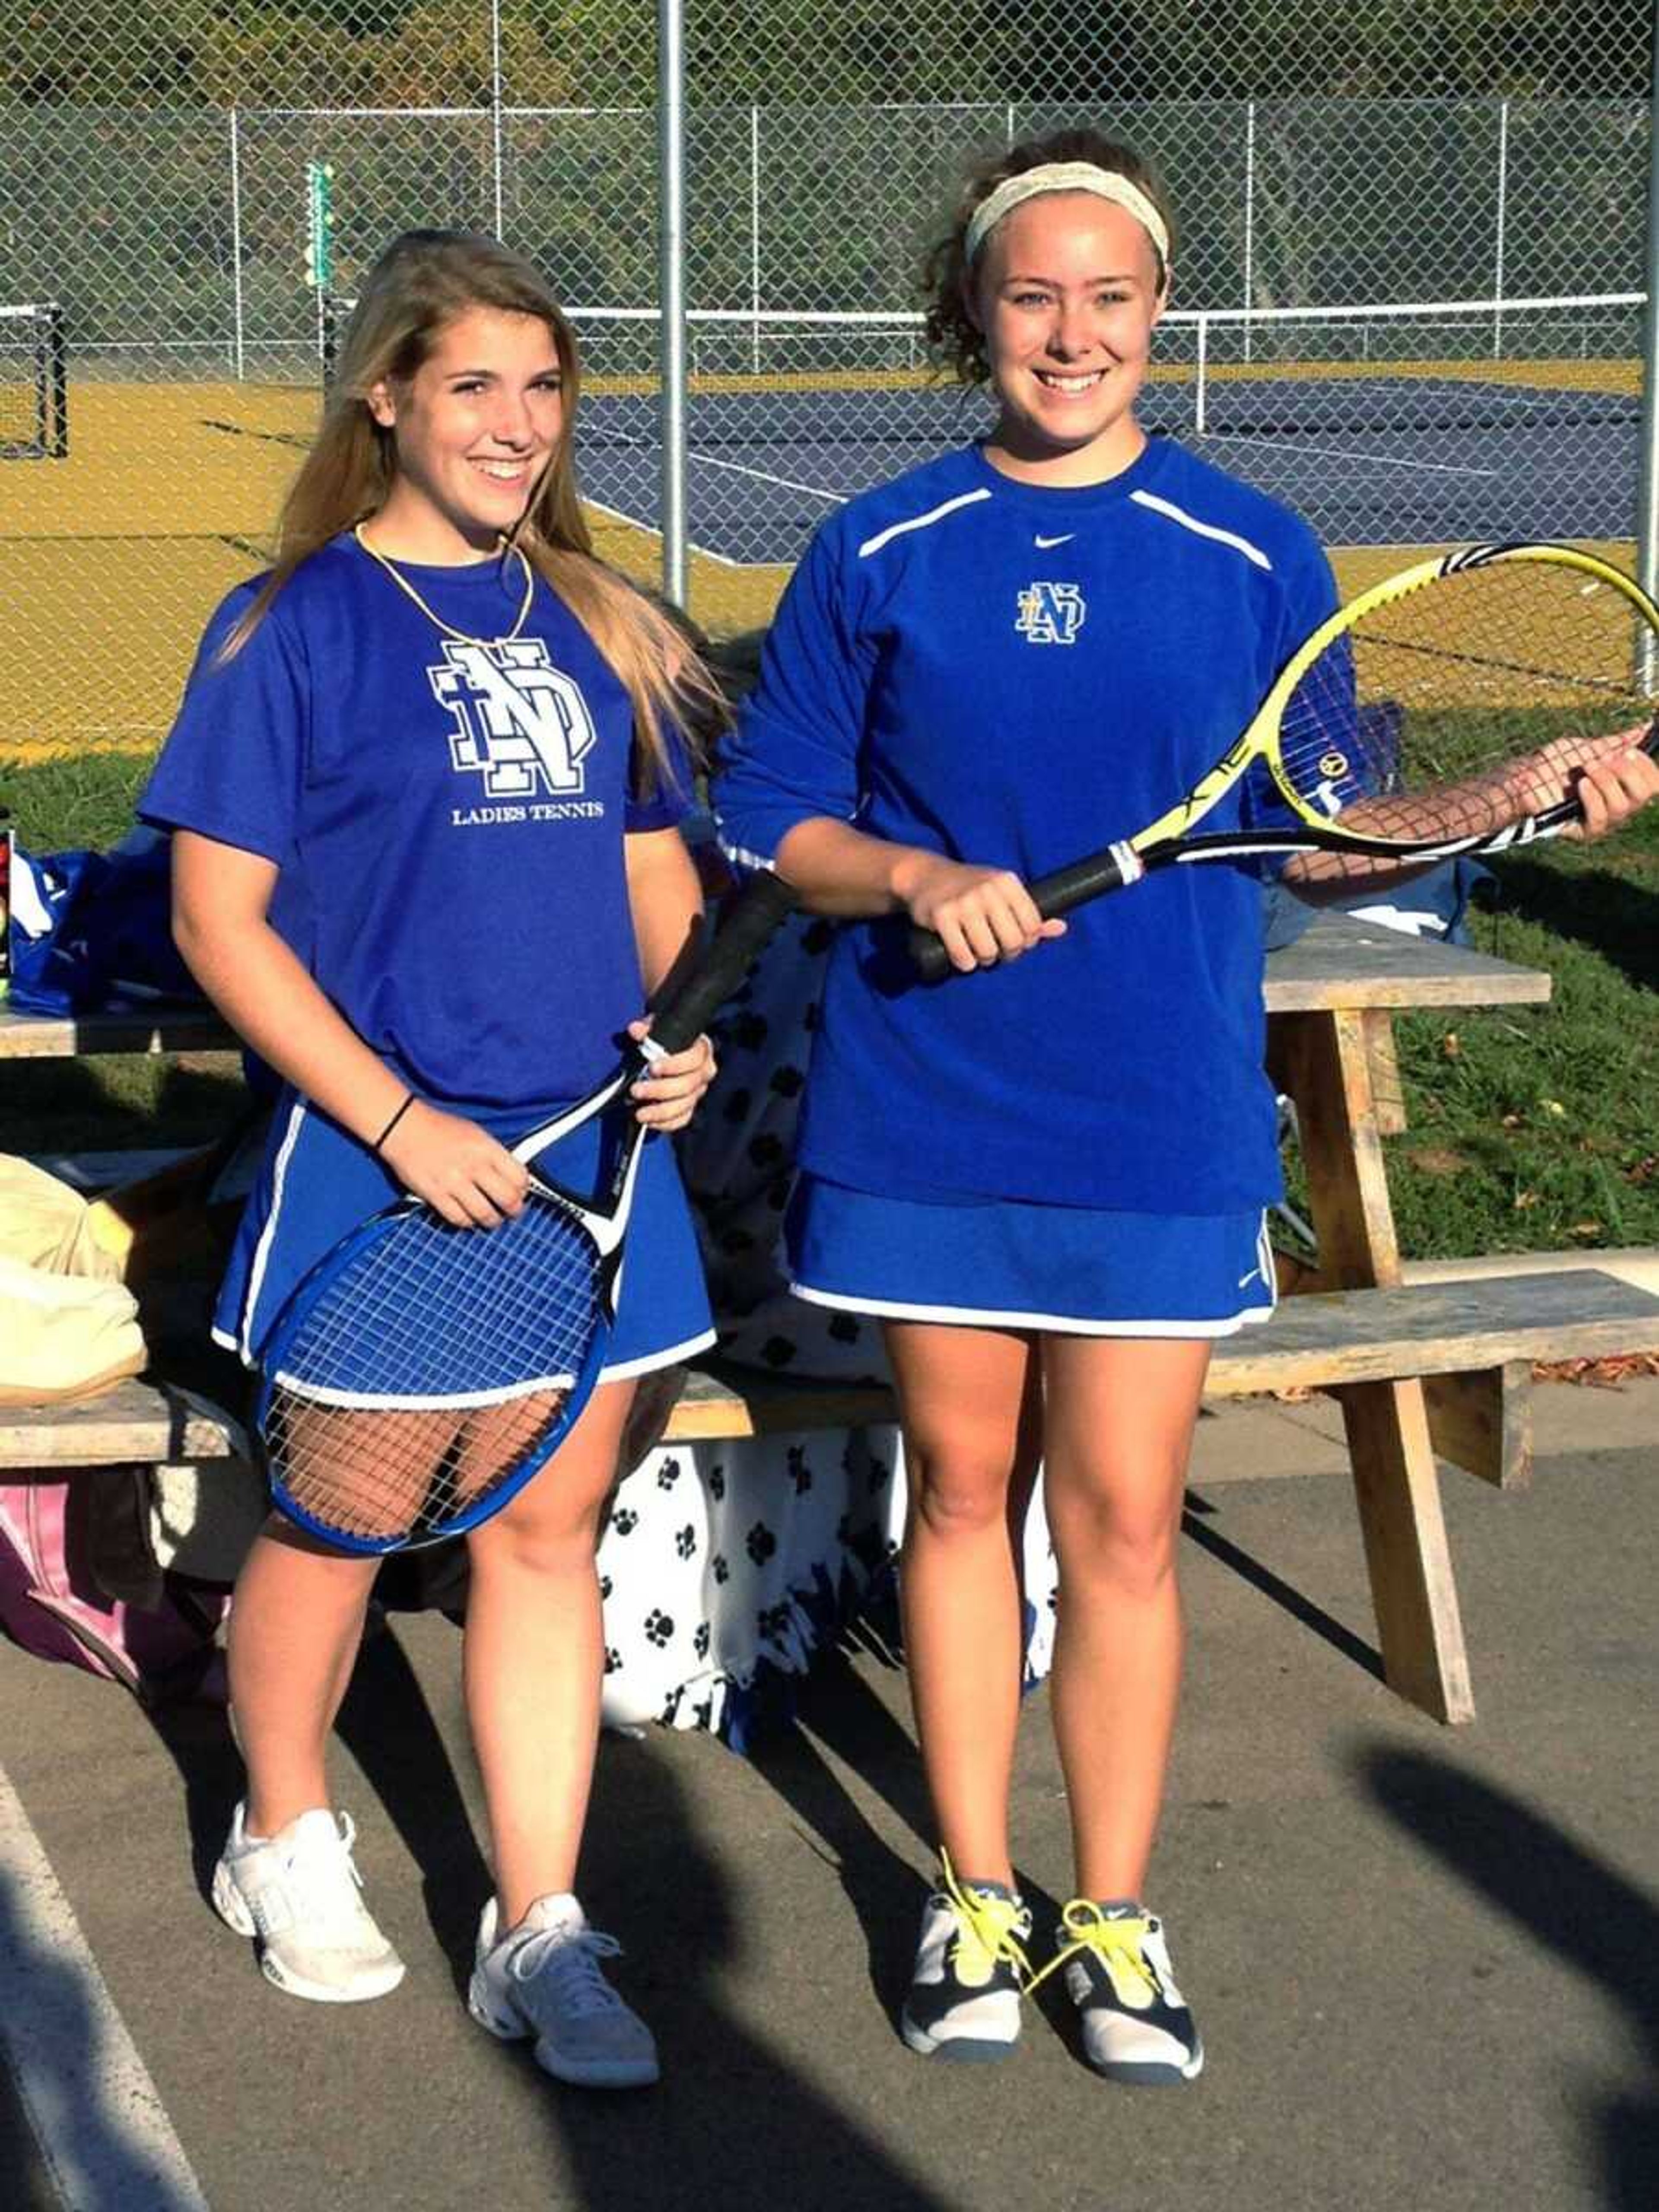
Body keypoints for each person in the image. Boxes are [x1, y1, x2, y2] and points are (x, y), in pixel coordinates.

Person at [712, 130, 1659, 2084]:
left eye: (1111, 297)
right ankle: (974, 1892)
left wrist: (1511, 792)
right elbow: (764, 814)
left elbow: (1314, 840)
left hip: (1151, 1116)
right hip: (925, 1101)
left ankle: (1112, 1912)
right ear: (972, 311)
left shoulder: (1247, 549)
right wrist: (902, 877)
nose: (1073, 333)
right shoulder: (879, 545)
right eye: (1034, 294)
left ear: (1161, 316)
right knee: (959, 1498)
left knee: (1125, 1517)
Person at [139, 229, 727, 2090]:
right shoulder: (291, 625)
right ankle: (282, 1826)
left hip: (594, 1170)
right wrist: (402, 1119)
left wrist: (678, 1022)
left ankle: (535, 1918)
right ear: (386, 392)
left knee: (548, 1531)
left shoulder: (605, 622)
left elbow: (655, 871)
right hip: (384, 1160)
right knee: (339, 1520)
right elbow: (221, 921)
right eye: (473, 383)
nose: (515, 422)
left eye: (544, 388)